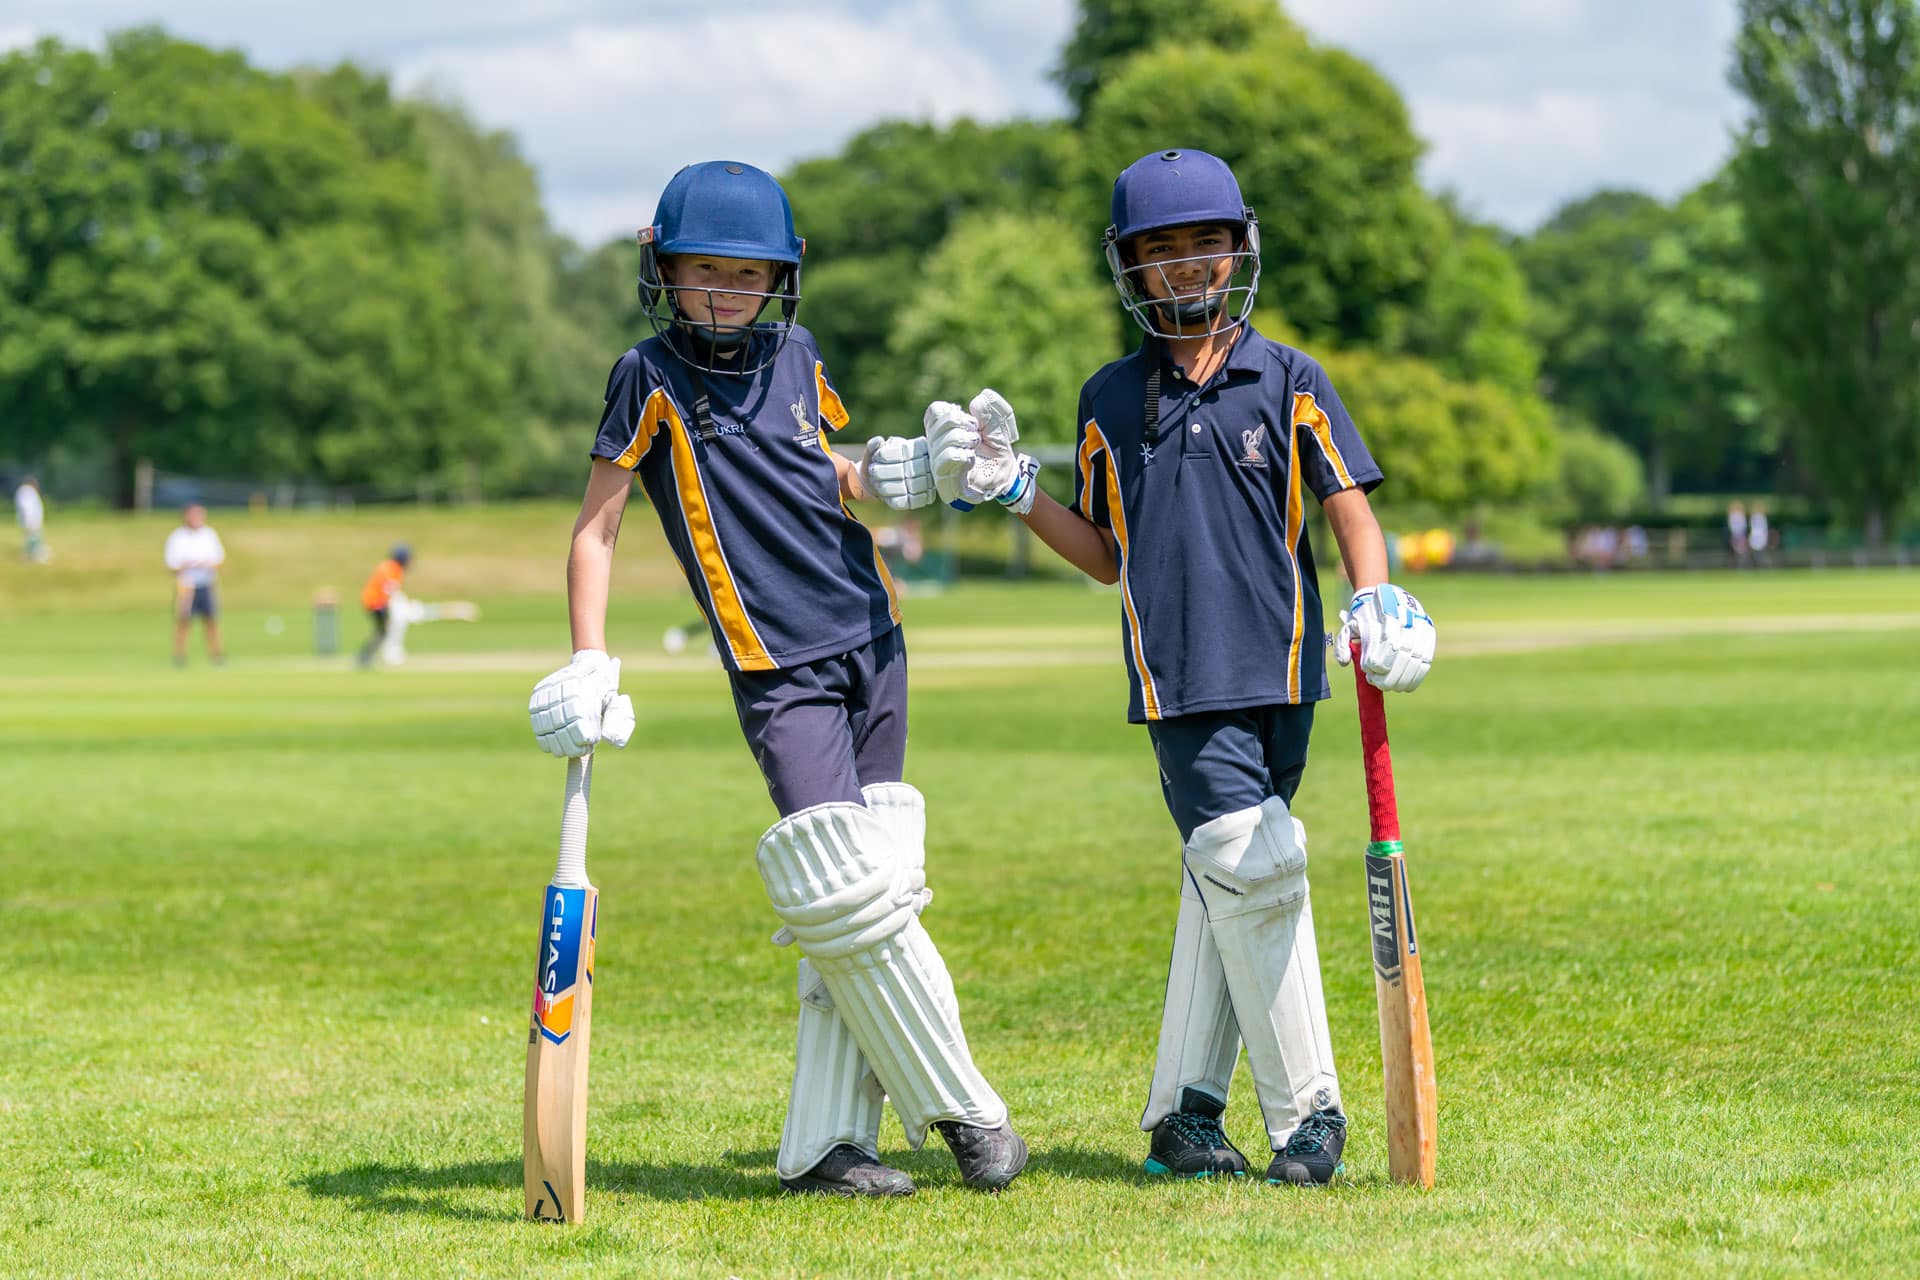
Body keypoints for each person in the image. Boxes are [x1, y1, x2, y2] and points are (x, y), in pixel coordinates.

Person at [921, 149, 1436, 1186]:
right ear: (1133, 268)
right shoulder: (1111, 397)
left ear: (1237, 250)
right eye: (1164, 250)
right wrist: (1016, 488)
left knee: (1226, 889)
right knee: (1254, 859)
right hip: (1179, 677)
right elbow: (1108, 552)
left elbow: (1348, 506)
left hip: (1288, 669)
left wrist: (1377, 593)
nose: (1189, 265)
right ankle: (1309, 1117)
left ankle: (1184, 1118)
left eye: (1206, 243)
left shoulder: (1290, 378)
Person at [524, 161, 1025, 1198]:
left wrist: (897, 472)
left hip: (873, 631)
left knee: (875, 886)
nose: (724, 293)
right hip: (775, 662)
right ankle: (967, 1109)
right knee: (842, 884)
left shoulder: (797, 352)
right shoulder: (647, 373)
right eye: (704, 271)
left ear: (781, 279)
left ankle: (823, 1148)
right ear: (664, 272)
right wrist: (588, 652)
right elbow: (597, 525)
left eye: (746, 274)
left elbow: (828, 466)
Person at [164, 503, 226, 666]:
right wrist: (189, 565)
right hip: (186, 585)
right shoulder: (177, 537)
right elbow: (172, 565)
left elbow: (218, 560)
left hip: (206, 583)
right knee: (184, 621)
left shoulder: (209, 534)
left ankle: (217, 655)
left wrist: (205, 564)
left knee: (211, 620)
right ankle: (179, 656)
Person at [356, 545, 411, 668]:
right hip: (376, 603)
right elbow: (389, 588)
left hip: (375, 602)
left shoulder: (388, 566)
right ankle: (366, 656)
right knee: (383, 631)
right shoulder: (393, 569)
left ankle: (367, 656)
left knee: (383, 631)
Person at [14, 475, 50, 563]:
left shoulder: (25, 491)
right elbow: (27, 508)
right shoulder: (27, 491)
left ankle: (32, 556)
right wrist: (29, 520)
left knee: (33, 538)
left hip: (30, 520)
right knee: (32, 539)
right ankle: (32, 557)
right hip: (30, 520)